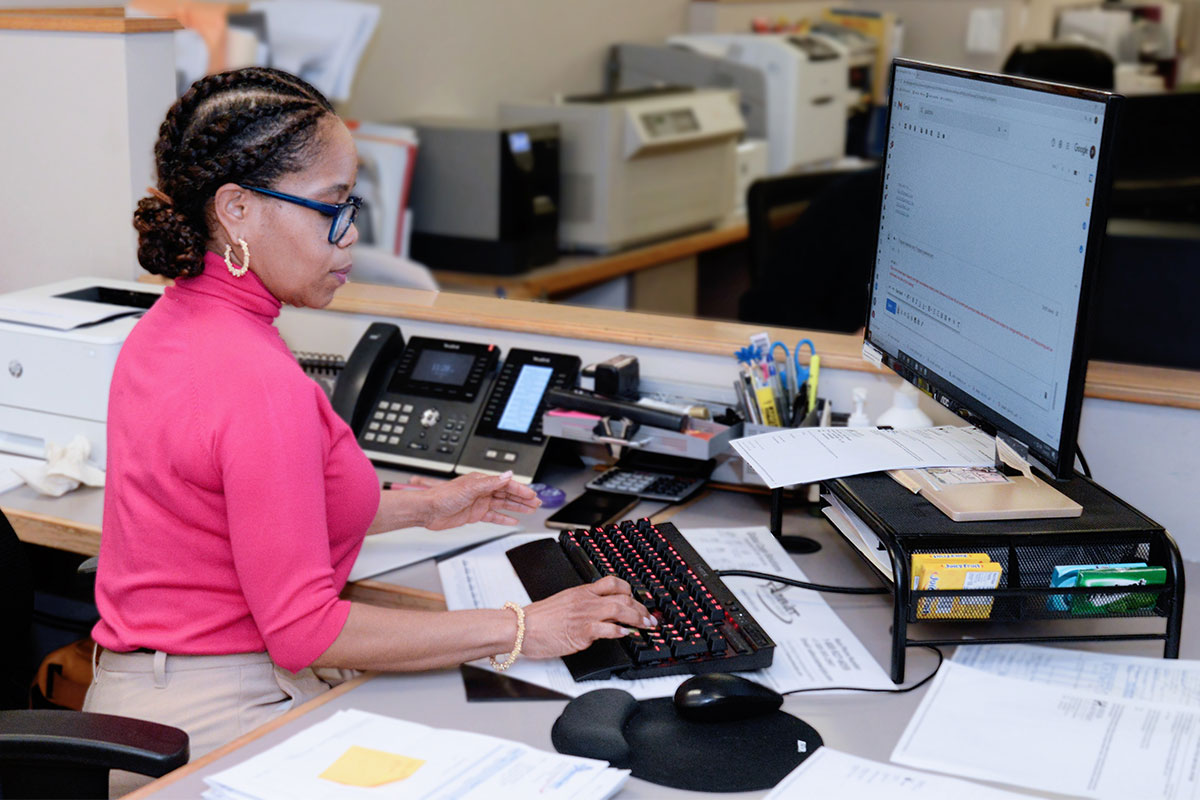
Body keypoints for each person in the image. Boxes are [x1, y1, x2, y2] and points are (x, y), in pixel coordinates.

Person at [83, 67, 652, 795]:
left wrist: (425, 506)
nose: (350, 236)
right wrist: (523, 627)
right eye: (331, 207)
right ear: (237, 210)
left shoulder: (171, 327)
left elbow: (252, 509)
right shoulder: (257, 381)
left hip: (148, 704)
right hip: (216, 722)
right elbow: (306, 630)